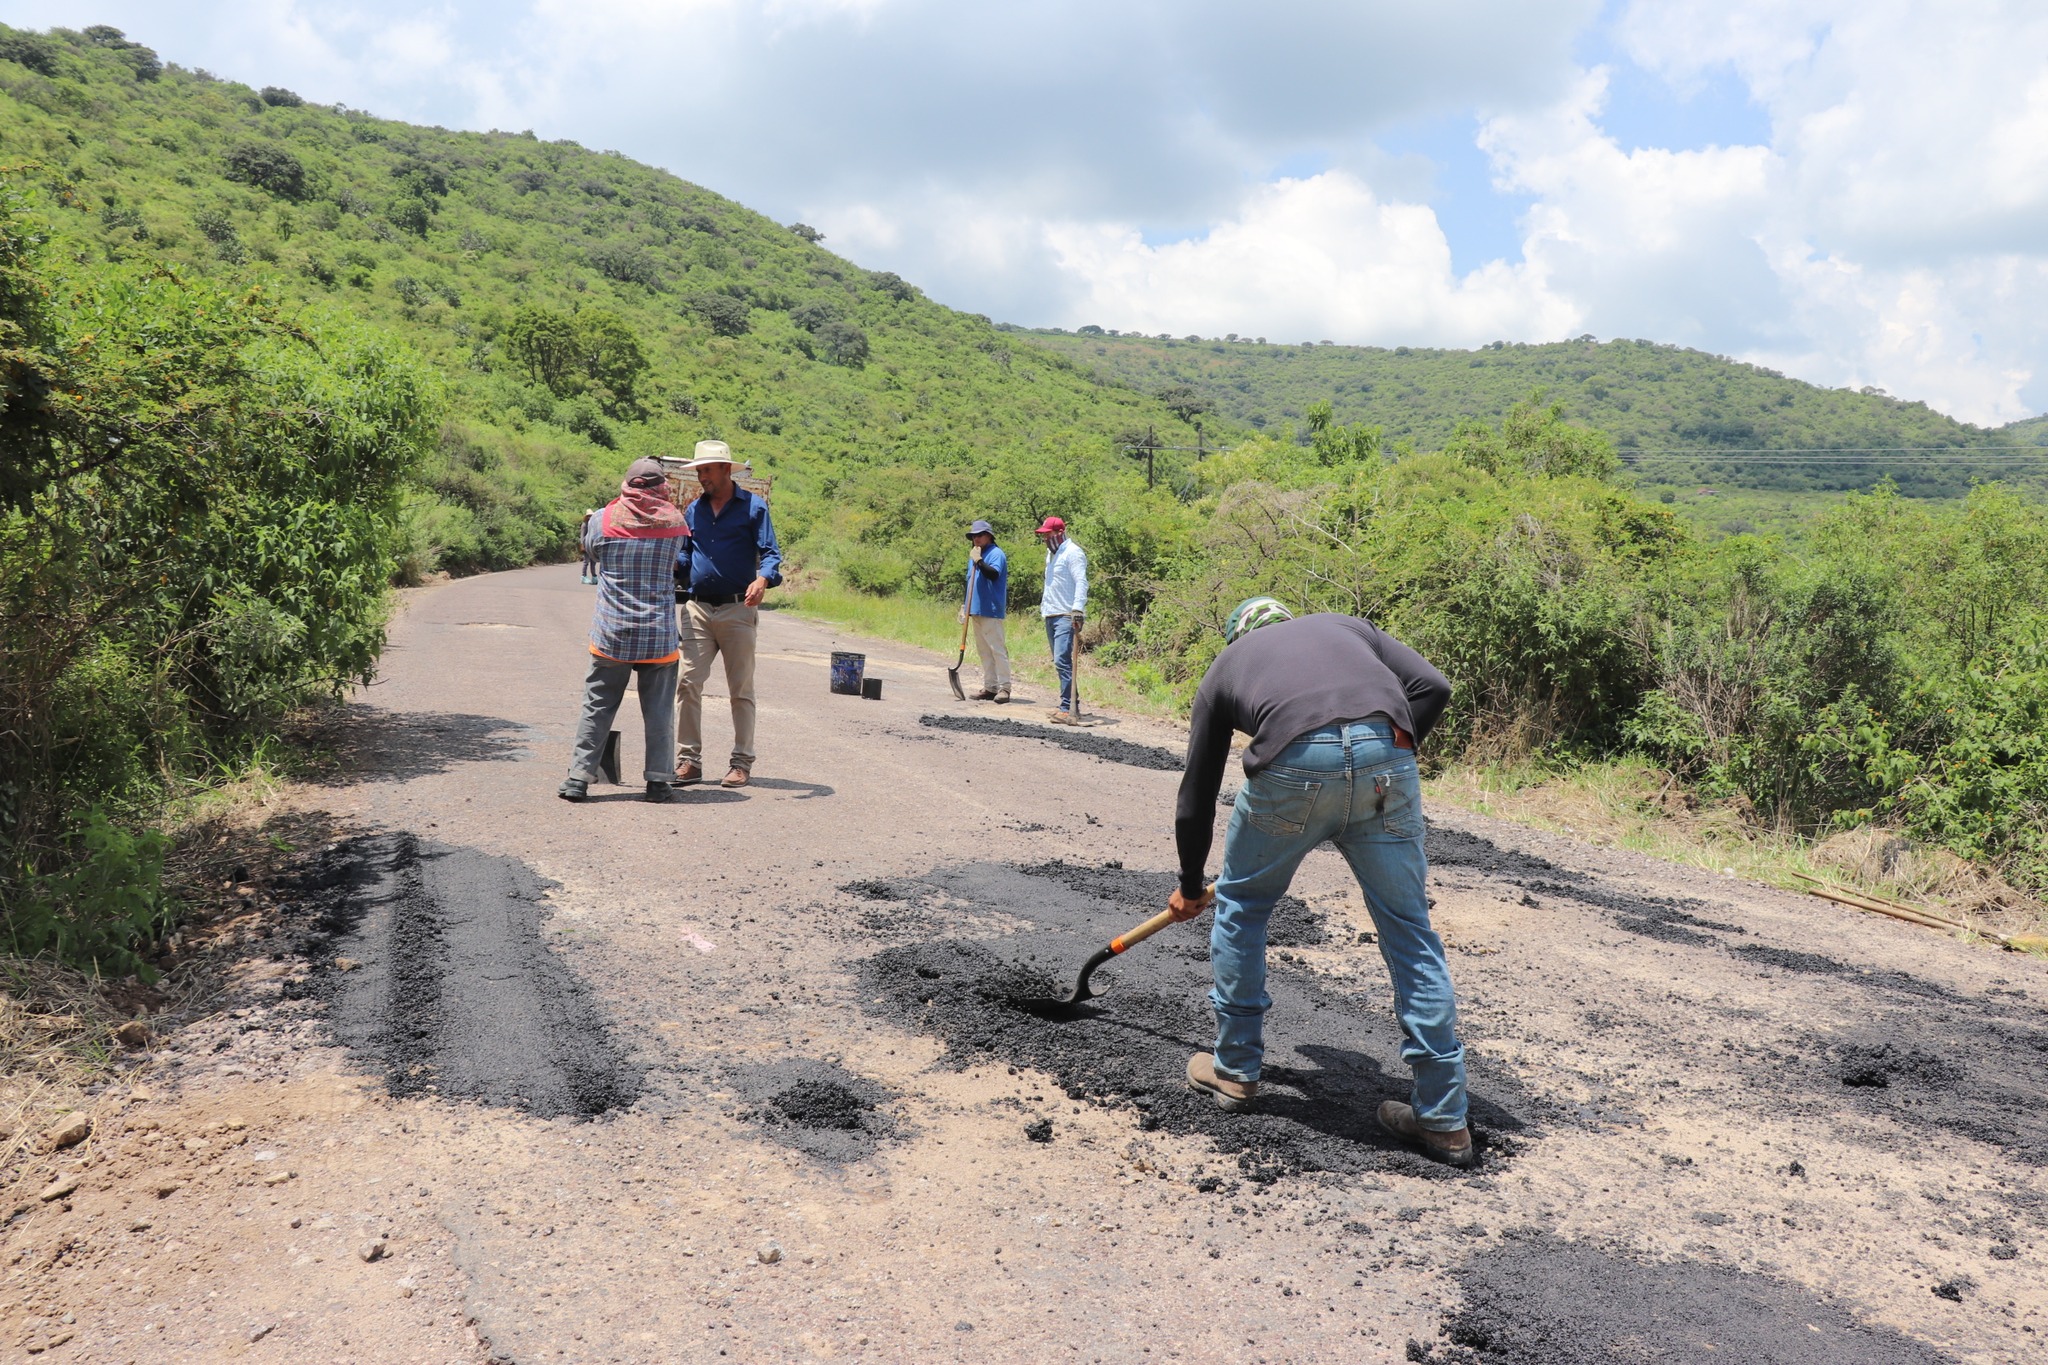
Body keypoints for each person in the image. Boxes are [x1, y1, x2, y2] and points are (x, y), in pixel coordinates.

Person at [1166, 596, 1475, 1167]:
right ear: (1289, 620)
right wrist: (1384, 761)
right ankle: (1444, 1118)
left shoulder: (1228, 666)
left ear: (1239, 638)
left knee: (1242, 908)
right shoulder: (1346, 628)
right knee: (1410, 931)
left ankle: (1234, 1070)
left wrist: (1189, 883)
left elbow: (1197, 793)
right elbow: (1434, 686)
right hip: (1389, 761)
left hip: (1292, 766)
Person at [560, 460, 690, 804]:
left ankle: (578, 779)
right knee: (660, 711)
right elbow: (678, 563)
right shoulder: (676, 523)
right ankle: (659, 782)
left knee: (597, 706)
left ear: (628, 484)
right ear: (662, 486)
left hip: (612, 633)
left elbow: (590, 551)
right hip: (658, 636)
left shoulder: (602, 519)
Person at [673, 440, 782, 789]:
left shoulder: (754, 508)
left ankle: (741, 763)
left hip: (738, 608)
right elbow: (686, 557)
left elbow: (771, 554)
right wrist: (665, 561)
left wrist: (763, 578)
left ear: (724, 469)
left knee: (741, 690)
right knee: (688, 682)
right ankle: (689, 761)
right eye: (699, 471)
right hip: (698, 608)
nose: (701, 477)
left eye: (706, 470)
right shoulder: (694, 510)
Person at [1034, 515, 1087, 724]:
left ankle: (1068, 707)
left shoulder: (1073, 553)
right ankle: (1070, 704)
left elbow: (1081, 581)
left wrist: (1077, 609)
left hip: (1066, 614)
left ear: (1059, 533)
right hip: (1051, 612)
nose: (1045, 539)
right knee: (1060, 662)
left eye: (1048, 535)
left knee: (1062, 661)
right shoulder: (1051, 554)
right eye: (1044, 536)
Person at [963, 519, 1010, 703]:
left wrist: (979, 561)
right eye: (974, 535)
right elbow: (970, 582)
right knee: (983, 650)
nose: (976, 538)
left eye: (980, 535)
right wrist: (965, 606)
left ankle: (1004, 688)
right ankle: (990, 687)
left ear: (989, 535)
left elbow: (993, 574)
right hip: (975, 609)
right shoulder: (975, 554)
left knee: (997, 649)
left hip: (990, 609)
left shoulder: (995, 553)